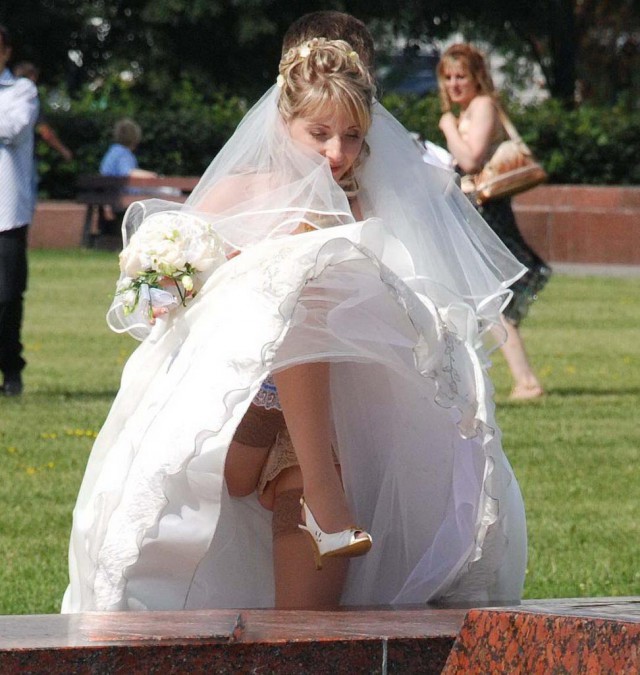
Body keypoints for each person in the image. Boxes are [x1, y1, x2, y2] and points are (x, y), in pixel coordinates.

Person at [63, 27, 528, 614]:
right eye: (319, 134)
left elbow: (415, 303)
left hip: (339, 405)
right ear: (284, 123)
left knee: (317, 281)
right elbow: (170, 293)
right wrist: (174, 276)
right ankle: (296, 452)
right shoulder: (243, 191)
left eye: (352, 137)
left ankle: (313, 543)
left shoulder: (371, 201)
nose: (337, 153)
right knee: (302, 273)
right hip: (240, 398)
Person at [437, 43, 551, 400]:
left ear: (477, 78)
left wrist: (448, 128)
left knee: (493, 297)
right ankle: (516, 380)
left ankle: (526, 382)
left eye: (461, 76)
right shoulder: (469, 109)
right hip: (476, 209)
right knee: (486, 298)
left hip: (488, 212)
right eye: (448, 77)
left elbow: (471, 160)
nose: (454, 84)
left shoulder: (482, 105)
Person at [0, 25, 39, 397]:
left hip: (6, 211)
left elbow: (12, 128)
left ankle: (11, 368)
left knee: (7, 296)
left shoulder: (21, 90)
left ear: (6, 52)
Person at [12, 61, 73, 163]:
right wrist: (63, 150)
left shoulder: (5, 95)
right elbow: (45, 131)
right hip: (23, 156)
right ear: (31, 77)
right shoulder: (29, 100)